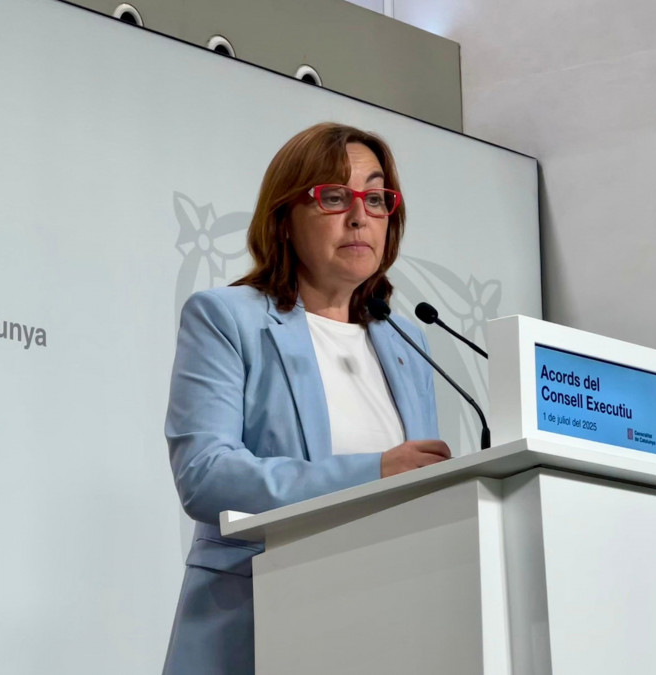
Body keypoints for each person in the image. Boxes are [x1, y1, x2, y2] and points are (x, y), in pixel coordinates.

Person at [162, 122, 451, 675]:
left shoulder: (407, 341)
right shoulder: (226, 318)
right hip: (258, 624)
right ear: (284, 219)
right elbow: (206, 476)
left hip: (388, 622)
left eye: (375, 198)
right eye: (335, 196)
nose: (360, 216)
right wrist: (373, 472)